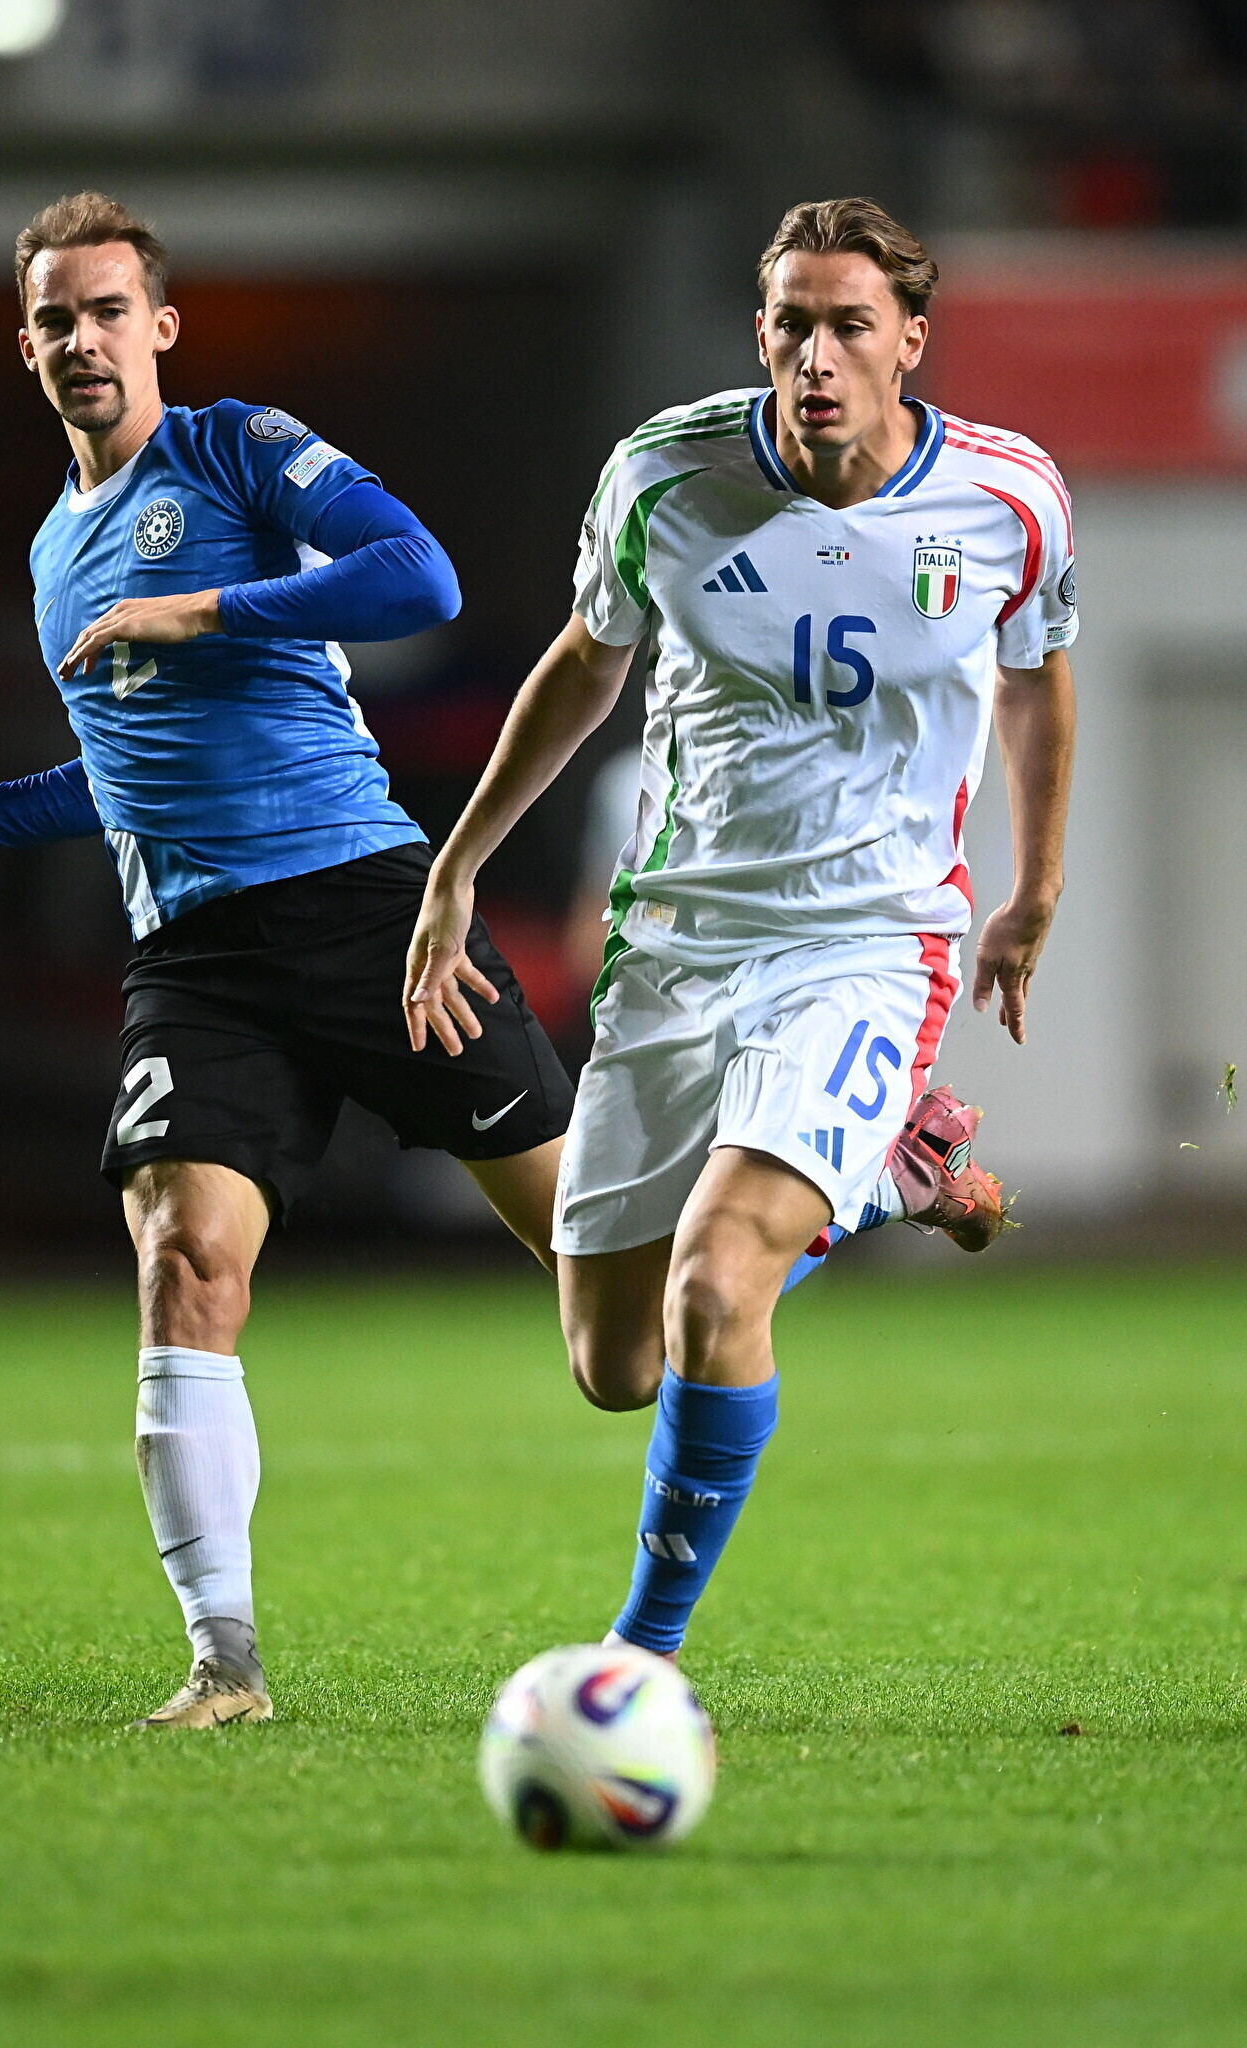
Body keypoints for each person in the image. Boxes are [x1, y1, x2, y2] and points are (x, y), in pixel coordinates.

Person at [0, 193, 572, 1731]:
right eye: (54, 319)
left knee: (604, 1276)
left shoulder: (233, 451)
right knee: (186, 1263)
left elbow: (420, 579)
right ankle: (225, 1659)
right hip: (196, 957)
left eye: (108, 311)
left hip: (363, 910)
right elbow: (127, 774)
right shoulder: (54, 553)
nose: (82, 339)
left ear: (159, 326)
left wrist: (207, 606)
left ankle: (862, 1180)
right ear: (25, 348)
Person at [404, 196, 1077, 1663]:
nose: (817, 356)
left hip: (870, 943)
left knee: (721, 1281)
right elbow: (584, 663)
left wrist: (1033, 888)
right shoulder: (664, 475)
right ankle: (885, 1176)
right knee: (616, 1361)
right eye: (791, 324)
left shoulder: (1009, 497)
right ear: (759, 332)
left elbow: (1035, 676)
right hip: (680, 943)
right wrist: (459, 865)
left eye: (850, 325)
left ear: (911, 338)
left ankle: (636, 1663)